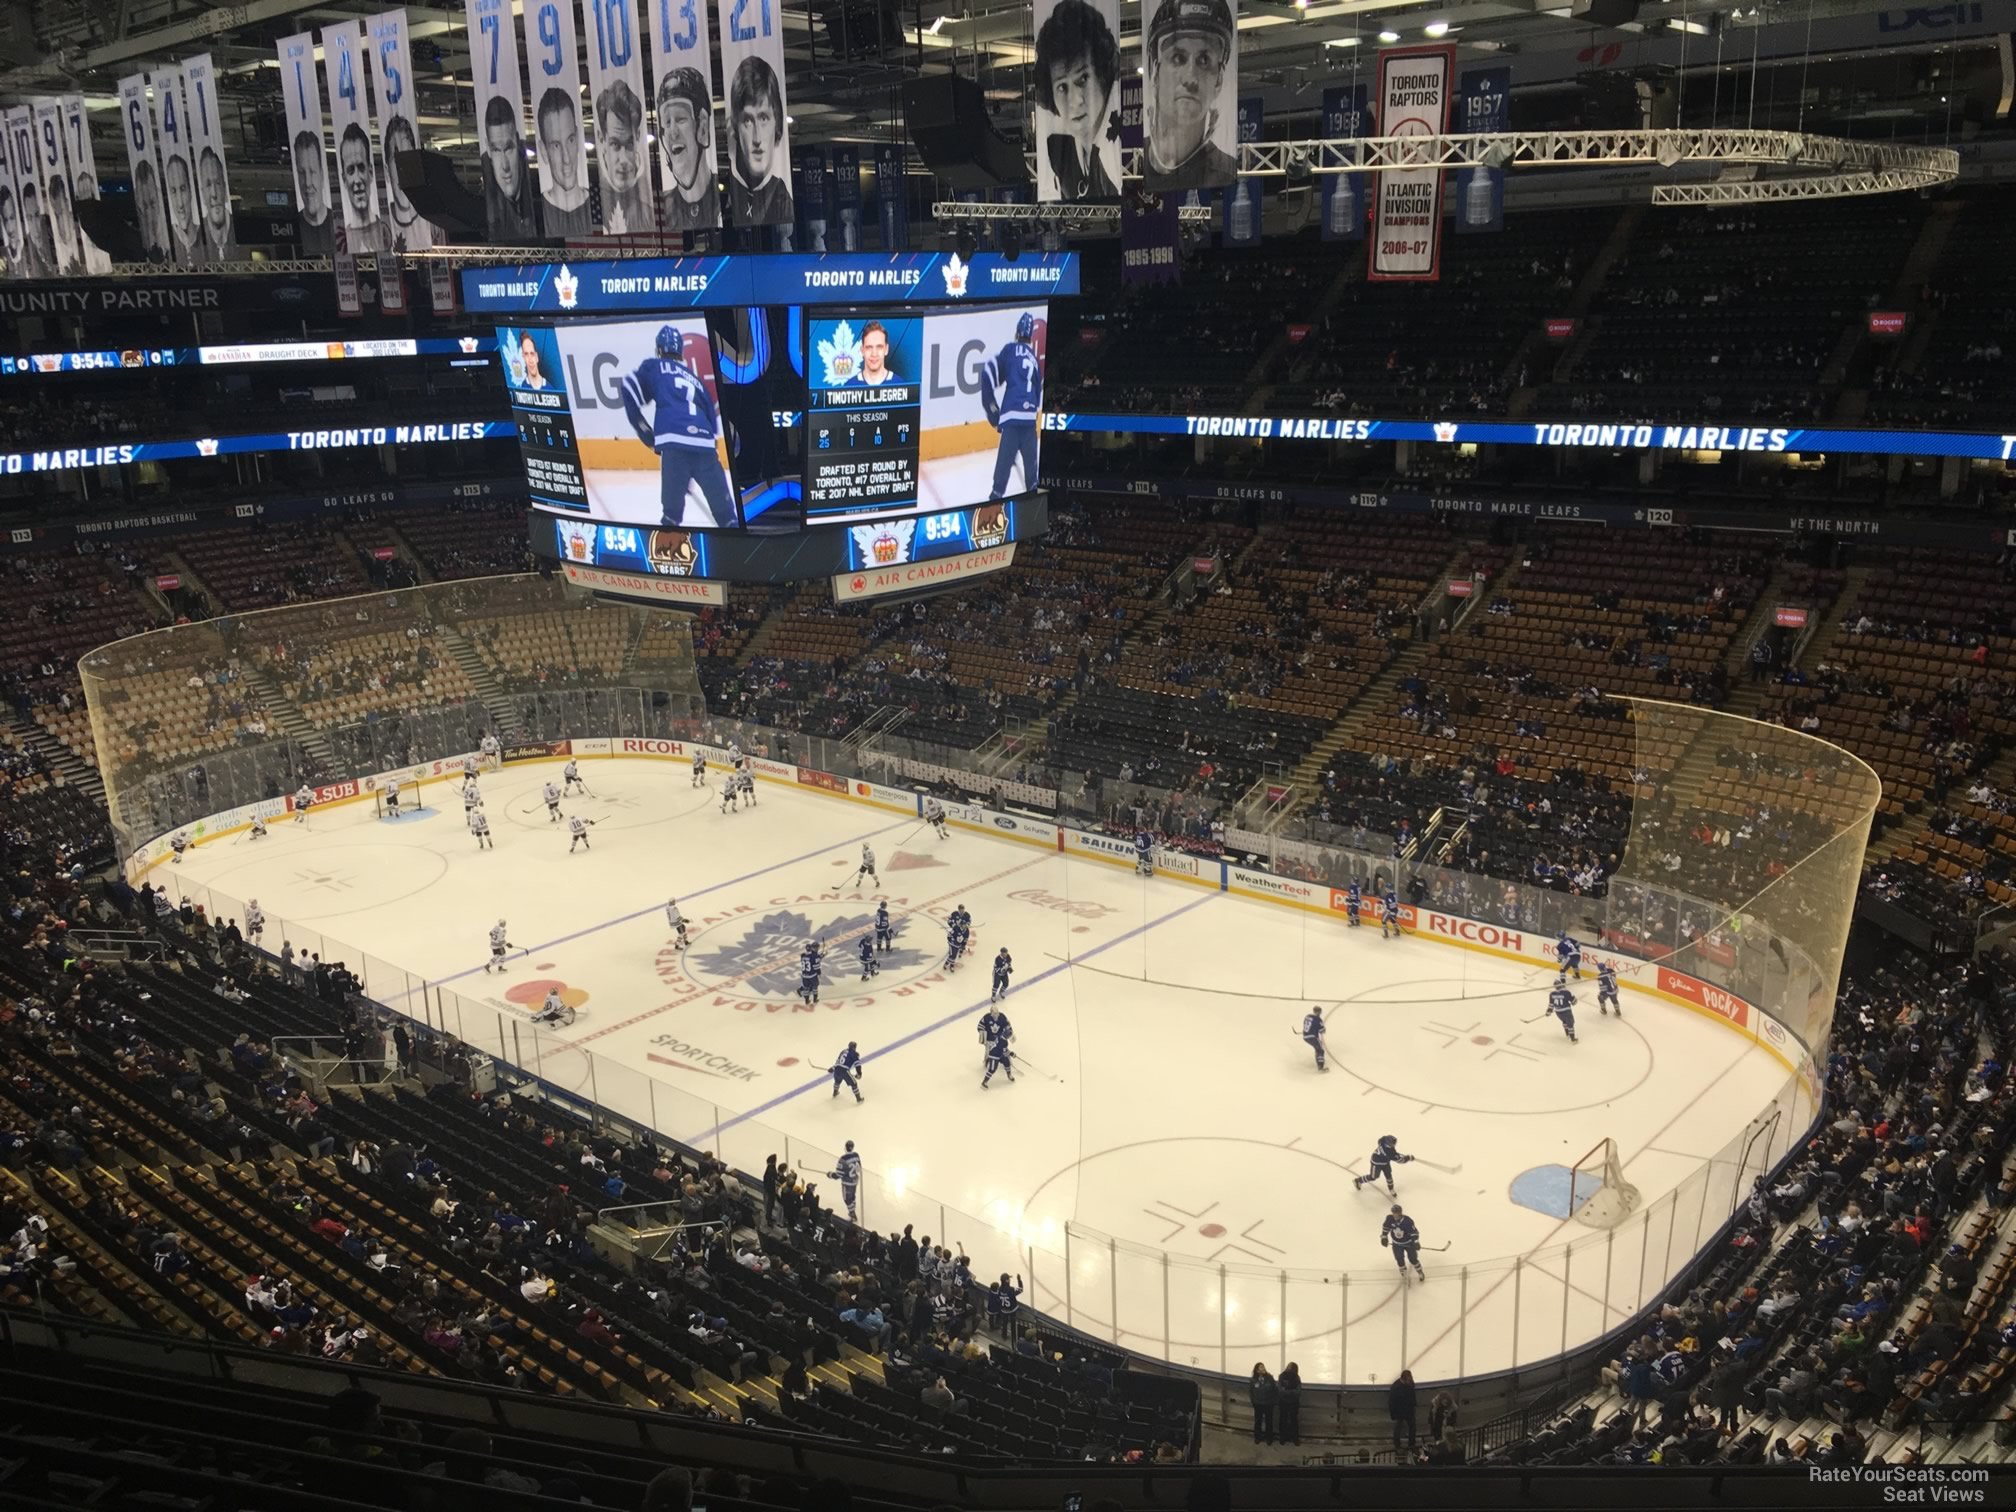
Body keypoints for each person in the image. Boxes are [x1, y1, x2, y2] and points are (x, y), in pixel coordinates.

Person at [619, 324, 739, 529]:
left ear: (659, 350)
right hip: (705, 449)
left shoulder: (654, 367)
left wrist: (644, 431)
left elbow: (628, 387)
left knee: (671, 518)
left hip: (673, 445)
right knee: (728, 518)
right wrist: (695, 466)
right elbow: (712, 427)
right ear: (681, 351)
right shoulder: (698, 382)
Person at [1141, 0, 1237, 192]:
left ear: (1218, 79)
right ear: (1154, 70)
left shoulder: (1225, 172)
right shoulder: (1128, 162)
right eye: (1178, 58)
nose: (1190, 78)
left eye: (1204, 60)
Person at [1035, 0, 1123, 202]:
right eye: (1062, 87)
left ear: (1102, 73)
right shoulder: (1057, 153)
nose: (1075, 101)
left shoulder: (1114, 156)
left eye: (1083, 79)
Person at [979, 311, 1042, 500]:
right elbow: (1037, 396)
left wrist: (993, 411)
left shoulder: (1010, 350)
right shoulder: (1035, 360)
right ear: (1030, 337)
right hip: (1030, 422)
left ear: (1017, 333)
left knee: (999, 485)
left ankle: (994, 504)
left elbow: (988, 374)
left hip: (1011, 419)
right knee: (1033, 481)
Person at [727, 55, 792, 226]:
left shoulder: (784, 202)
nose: (757, 138)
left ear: (777, 124)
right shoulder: (729, 201)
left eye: (763, 119)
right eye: (748, 121)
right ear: (735, 128)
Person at [655, 67, 719, 232]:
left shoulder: (726, 201)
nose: (673, 133)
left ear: (702, 128)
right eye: (667, 123)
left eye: (681, 119)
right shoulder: (668, 206)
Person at [480, 94, 539, 238]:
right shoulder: (486, 207)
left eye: (508, 148)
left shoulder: (538, 190)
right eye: (496, 150)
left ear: (518, 142)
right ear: (488, 149)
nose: (505, 165)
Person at [535, 87, 592, 234]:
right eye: (556, 146)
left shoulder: (599, 203)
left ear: (578, 138)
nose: (566, 158)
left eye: (571, 140)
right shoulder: (537, 214)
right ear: (543, 151)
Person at [595, 80, 649, 233]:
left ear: (638, 138)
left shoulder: (646, 210)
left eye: (630, 145)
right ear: (601, 140)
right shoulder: (591, 208)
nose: (624, 159)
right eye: (615, 145)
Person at [379, 113, 423, 249]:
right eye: (396, 158)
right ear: (387, 171)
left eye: (408, 156)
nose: (403, 167)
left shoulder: (432, 219)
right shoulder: (382, 223)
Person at [335, 122, 380, 244]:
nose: (357, 179)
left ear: (370, 172)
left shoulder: (386, 233)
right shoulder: (342, 240)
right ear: (344, 179)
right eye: (351, 170)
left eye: (361, 168)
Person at [196, 145, 235, 259]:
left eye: (217, 183)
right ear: (202, 193)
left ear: (224, 187)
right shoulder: (197, 236)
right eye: (208, 185)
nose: (214, 194)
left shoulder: (239, 228)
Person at [164, 154, 202, 261]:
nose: (180, 203)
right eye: (173, 191)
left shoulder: (205, 231)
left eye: (183, 189)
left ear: (190, 191)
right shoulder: (166, 238)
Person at [132, 157, 170, 261]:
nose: (149, 213)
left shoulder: (173, 236)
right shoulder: (136, 240)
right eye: (144, 206)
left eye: (152, 204)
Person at [292, 129, 330, 231]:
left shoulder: (337, 221)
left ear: (322, 175)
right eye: (302, 173)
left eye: (312, 172)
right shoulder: (294, 226)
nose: (308, 183)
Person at [1381, 1204, 1425, 1282]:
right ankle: (1405, 1276)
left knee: (1413, 1259)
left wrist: (1416, 1242)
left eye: (1396, 1213)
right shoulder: (1389, 1219)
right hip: (1397, 1244)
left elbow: (1414, 1233)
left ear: (1400, 1213)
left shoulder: (1407, 1221)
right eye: (1393, 1212)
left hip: (1409, 1243)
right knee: (1399, 1259)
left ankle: (1420, 1272)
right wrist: (1384, 1237)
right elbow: (1386, 1228)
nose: (1395, 1214)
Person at [850, 321, 900, 387]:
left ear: (886, 349)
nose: (874, 354)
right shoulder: (849, 386)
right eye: (869, 347)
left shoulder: (899, 384)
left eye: (879, 347)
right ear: (862, 350)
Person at [829, 1140, 862, 1221]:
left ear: (845, 1147)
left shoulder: (843, 1159)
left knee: (847, 1199)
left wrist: (830, 1175)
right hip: (854, 1181)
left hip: (847, 1183)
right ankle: (853, 1210)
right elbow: (859, 1169)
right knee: (852, 1196)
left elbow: (838, 1175)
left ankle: (852, 1213)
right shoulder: (856, 1155)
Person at [1388, 1368, 1418, 1452]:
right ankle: (1397, 1445)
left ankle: (1411, 1444)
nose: (1410, 1382)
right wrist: (1393, 1414)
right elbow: (1391, 1402)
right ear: (1404, 1379)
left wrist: (1414, 1405)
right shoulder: (1396, 1387)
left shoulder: (1410, 1383)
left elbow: (1412, 1395)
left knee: (1412, 1427)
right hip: (1399, 1411)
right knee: (1398, 1428)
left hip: (1409, 1410)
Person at [1249, 1363, 1277, 1444]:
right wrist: (1254, 1401)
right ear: (1257, 1370)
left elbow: (1275, 1390)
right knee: (1258, 1421)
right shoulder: (1253, 1380)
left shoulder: (1270, 1378)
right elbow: (1251, 1392)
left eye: (1263, 1367)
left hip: (1268, 1403)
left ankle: (1269, 1438)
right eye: (1261, 1367)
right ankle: (1257, 1437)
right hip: (1258, 1404)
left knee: (1269, 1421)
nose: (1263, 1368)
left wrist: (1273, 1401)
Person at [1277, 1361, 1304, 1444]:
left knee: (1294, 1420)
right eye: (1288, 1366)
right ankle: (1282, 1437)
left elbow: (1298, 1391)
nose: (1289, 1368)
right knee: (1283, 1419)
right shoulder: (1282, 1376)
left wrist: (1287, 1391)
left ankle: (1295, 1438)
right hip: (1284, 1401)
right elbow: (1281, 1390)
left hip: (1293, 1402)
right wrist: (1291, 1392)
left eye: (1291, 1367)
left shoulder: (1297, 1378)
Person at [1548, 974, 1579, 1043]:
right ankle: (1573, 1039)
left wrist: (1548, 1012)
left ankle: (1567, 1034)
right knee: (1570, 1023)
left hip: (1558, 1012)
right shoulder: (1566, 992)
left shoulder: (1552, 994)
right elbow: (1573, 1002)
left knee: (1564, 1022)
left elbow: (1551, 1005)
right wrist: (1574, 998)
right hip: (1566, 1011)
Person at [1302, 1006, 1328, 1072]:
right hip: (1312, 1037)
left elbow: (1306, 1025)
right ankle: (1320, 1066)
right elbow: (1322, 1031)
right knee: (1320, 1050)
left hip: (1305, 1036)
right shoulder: (1318, 1019)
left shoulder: (1307, 1016)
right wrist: (1323, 1029)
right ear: (1319, 1012)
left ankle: (1318, 1063)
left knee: (1317, 1048)